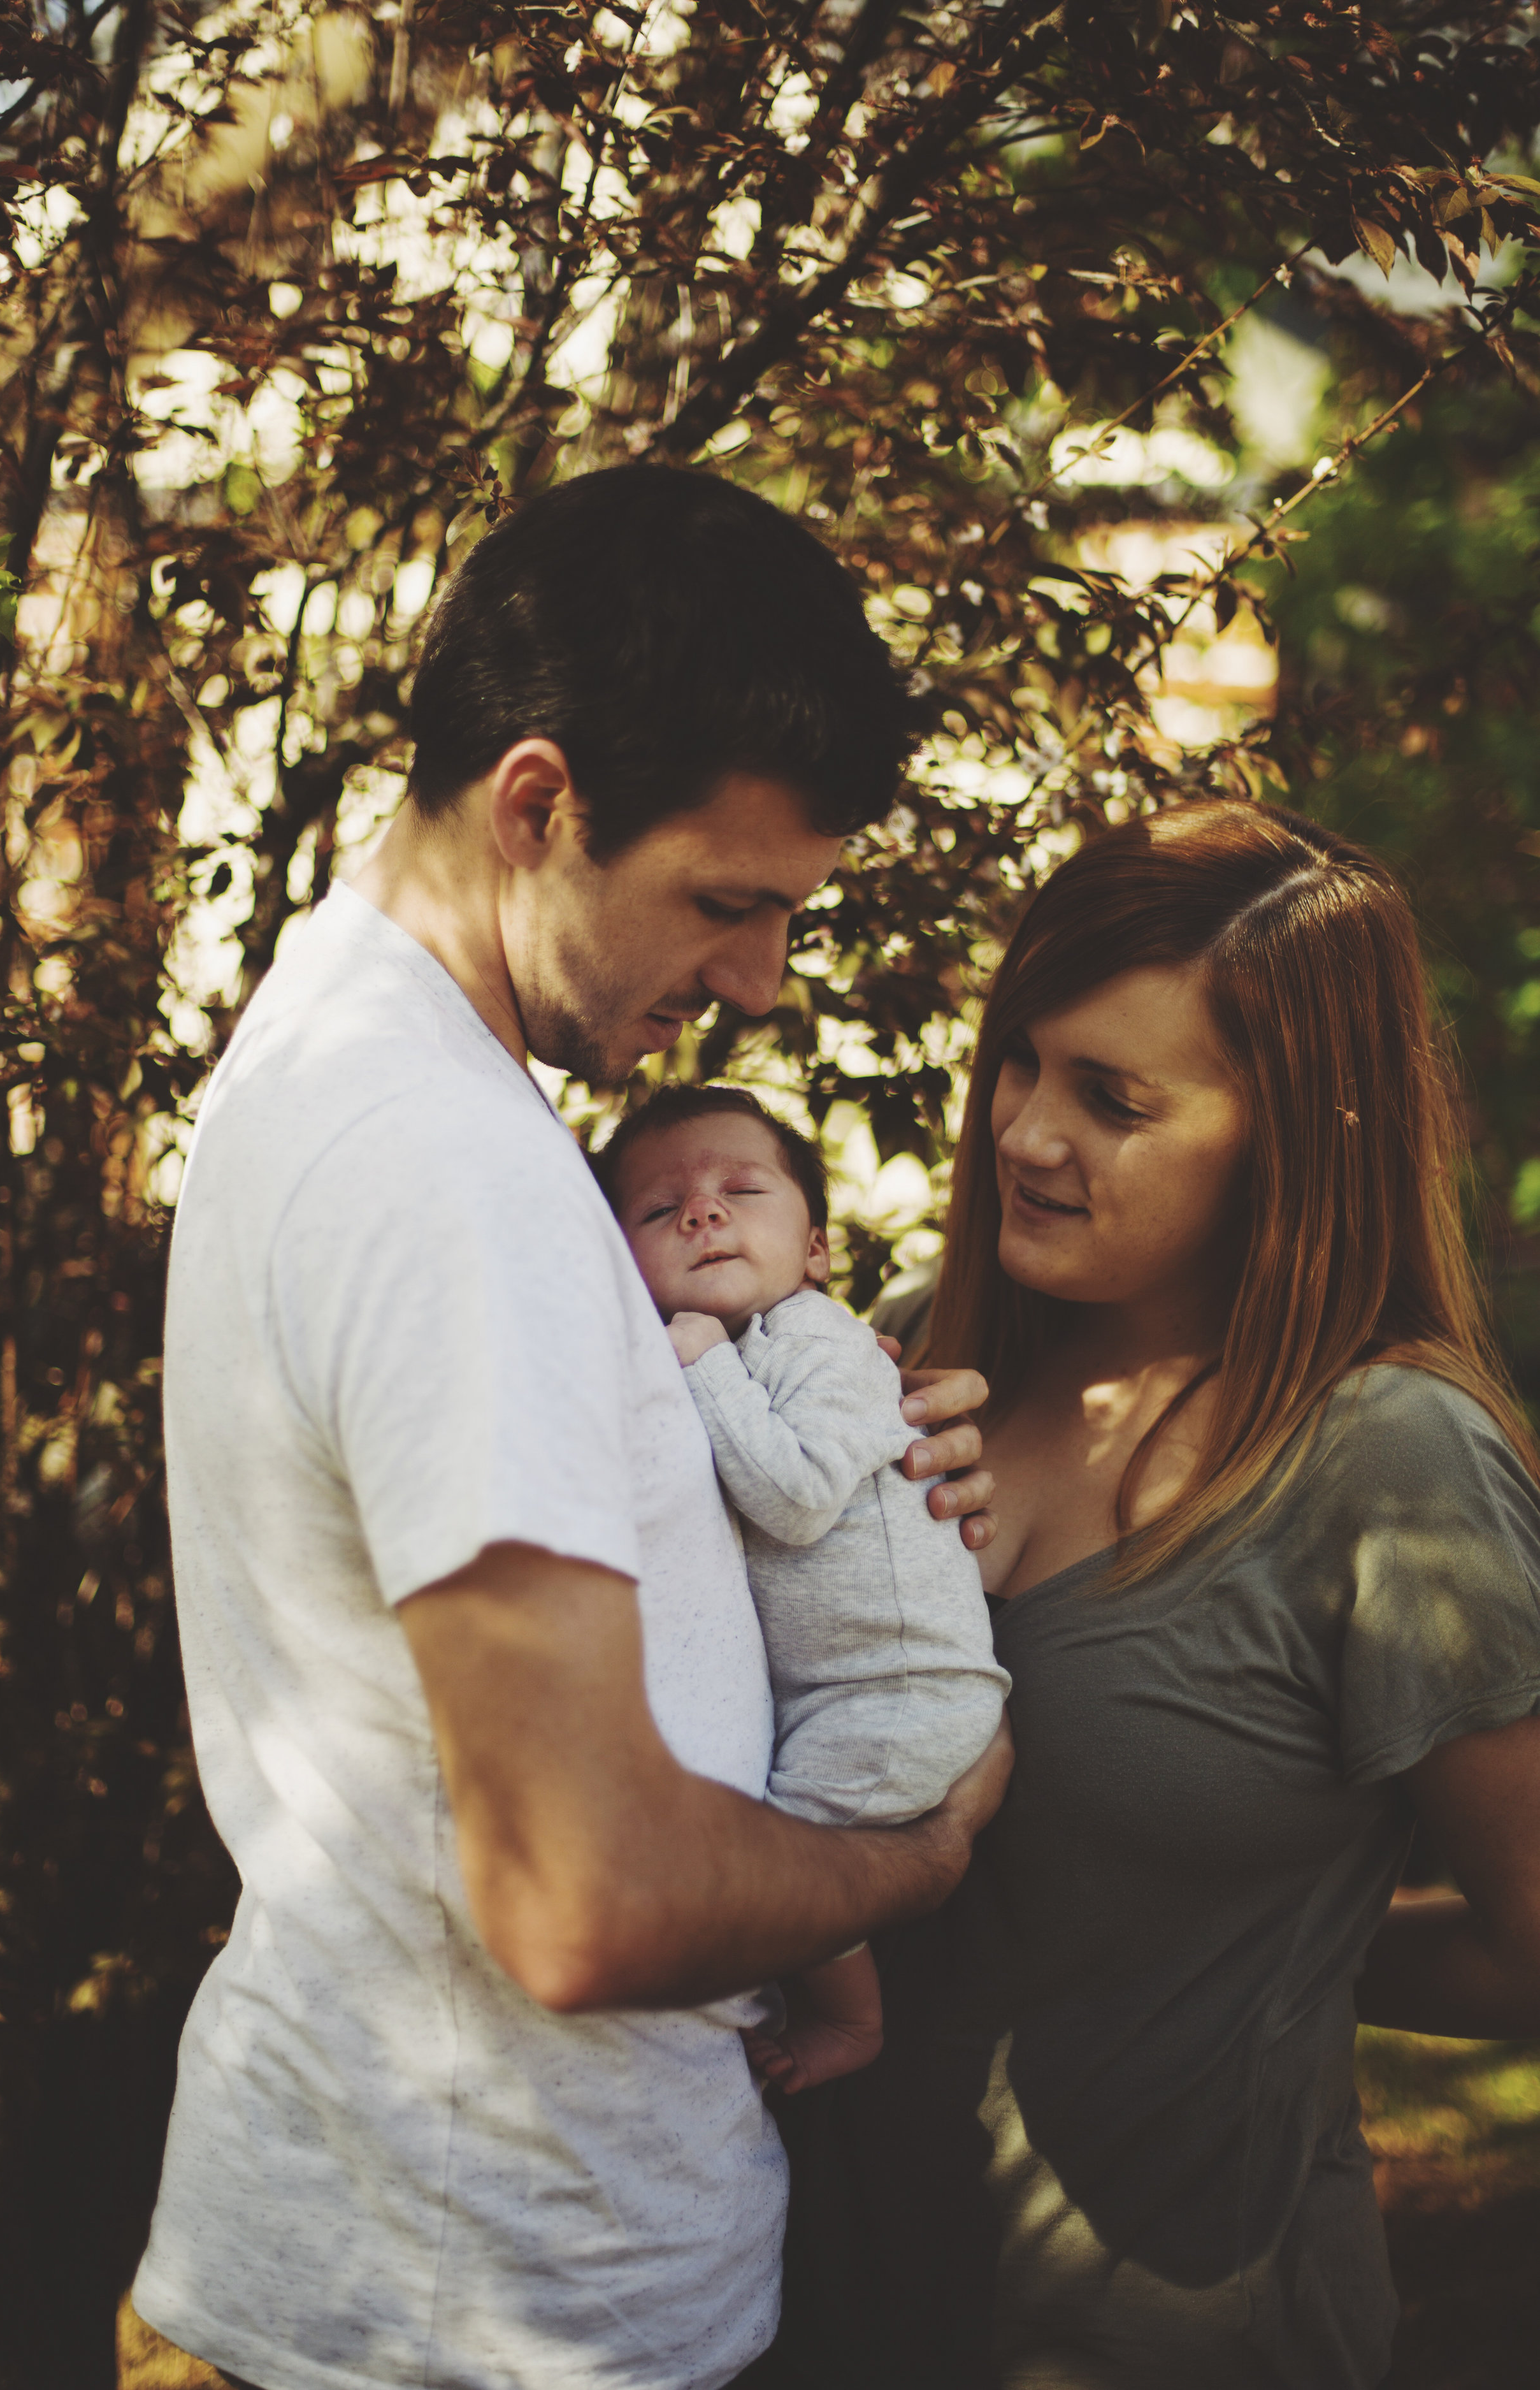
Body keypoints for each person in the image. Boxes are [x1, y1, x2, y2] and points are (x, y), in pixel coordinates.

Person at [130, 465, 1012, 2390]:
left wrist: (846, 1440)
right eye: (727, 902)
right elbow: (584, 1898)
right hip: (463, 2317)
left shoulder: (366, 1053)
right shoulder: (448, 1166)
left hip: (456, 2263)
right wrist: (915, 1859)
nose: (758, 981)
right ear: (536, 802)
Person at [772, 799, 1540, 2390]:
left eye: (1112, 1099)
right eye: (1022, 1061)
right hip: (814, 2299)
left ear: (1292, 1130)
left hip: (1171, 2331)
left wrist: (1274, 1962)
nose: (1023, 1131)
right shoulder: (915, 1359)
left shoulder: (1385, 1459)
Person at [593, 1082, 1011, 2094]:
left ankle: (851, 2022)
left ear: (816, 1250)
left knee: (787, 1865)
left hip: (901, 1696)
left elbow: (796, 1496)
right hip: (854, 1699)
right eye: (661, 1210)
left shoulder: (824, 1342)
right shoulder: (727, 1360)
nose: (703, 1212)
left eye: (742, 1188)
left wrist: (701, 1363)